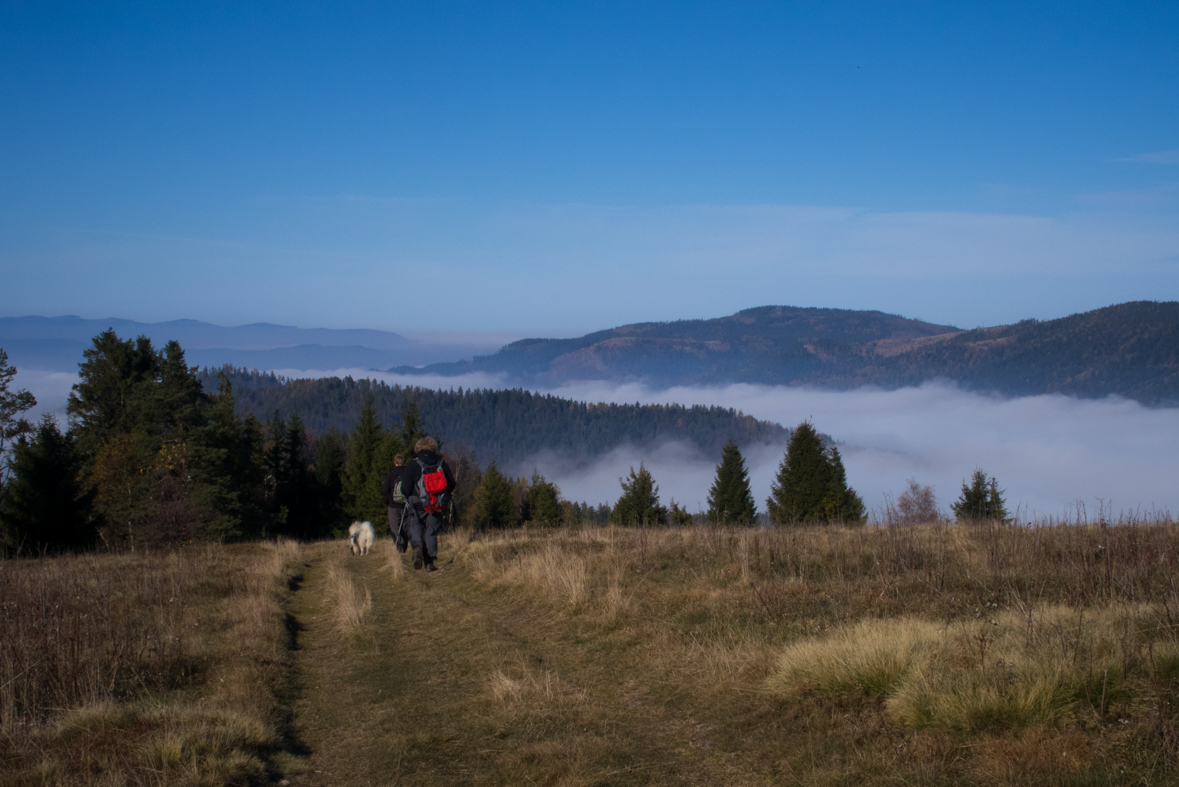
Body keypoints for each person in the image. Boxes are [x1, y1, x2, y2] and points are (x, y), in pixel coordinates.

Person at [400, 437, 455, 572]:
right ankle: (430, 562)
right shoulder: (440, 462)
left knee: (415, 526)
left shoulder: (413, 464)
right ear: (433, 448)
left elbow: (405, 488)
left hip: (417, 502)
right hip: (435, 503)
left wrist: (407, 496)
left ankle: (417, 548)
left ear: (418, 448)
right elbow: (452, 483)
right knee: (431, 531)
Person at [381, 454, 409, 553]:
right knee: (405, 525)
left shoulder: (391, 474)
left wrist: (387, 501)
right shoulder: (408, 473)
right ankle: (405, 545)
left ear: (395, 462)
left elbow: (386, 490)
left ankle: (399, 545)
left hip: (393, 505)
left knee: (395, 526)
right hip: (406, 505)